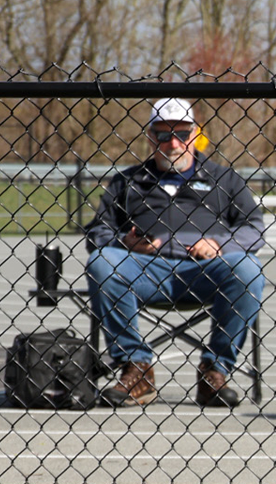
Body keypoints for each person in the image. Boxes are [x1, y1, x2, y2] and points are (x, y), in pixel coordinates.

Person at [84, 98, 265, 408]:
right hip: (144, 269)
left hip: (205, 271)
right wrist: (124, 243)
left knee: (248, 269)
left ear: (195, 135)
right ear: (150, 138)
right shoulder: (126, 181)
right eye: (163, 135)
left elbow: (254, 228)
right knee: (101, 262)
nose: (173, 143)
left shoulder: (225, 179)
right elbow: (96, 232)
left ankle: (214, 371)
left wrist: (220, 245)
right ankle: (136, 368)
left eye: (181, 134)